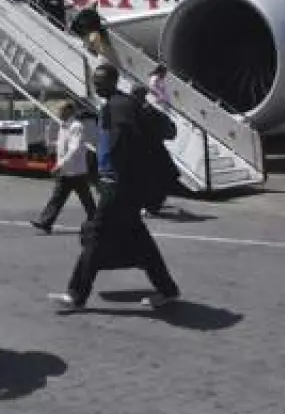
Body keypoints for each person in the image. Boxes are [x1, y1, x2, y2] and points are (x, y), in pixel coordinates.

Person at [49, 64, 181, 311]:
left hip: (118, 185)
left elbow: (120, 145)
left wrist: (112, 178)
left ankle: (76, 295)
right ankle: (168, 290)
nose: (97, 86)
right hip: (128, 185)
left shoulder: (117, 107)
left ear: (113, 81)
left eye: (100, 81)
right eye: (95, 81)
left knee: (96, 234)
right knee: (141, 240)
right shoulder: (122, 104)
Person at [30, 101, 97, 234]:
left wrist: (60, 164)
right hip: (66, 171)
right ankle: (45, 222)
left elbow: (74, 148)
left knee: (86, 199)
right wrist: (53, 144)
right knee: (57, 197)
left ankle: (97, 221)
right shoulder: (64, 125)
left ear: (69, 111)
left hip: (76, 171)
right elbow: (64, 144)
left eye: (60, 110)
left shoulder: (76, 126)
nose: (58, 113)